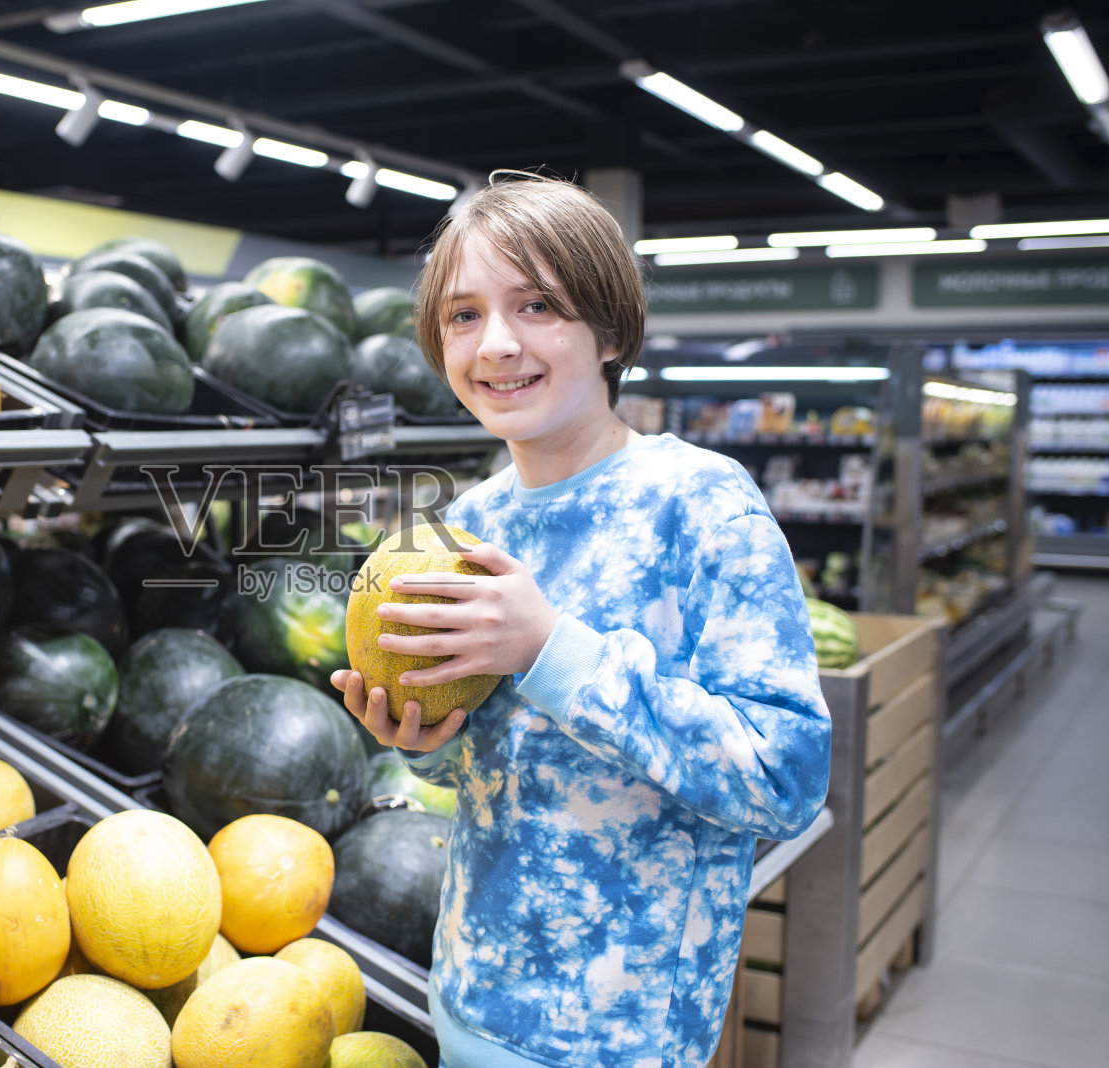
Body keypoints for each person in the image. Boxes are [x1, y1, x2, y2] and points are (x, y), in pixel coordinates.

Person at [330, 172, 831, 1068]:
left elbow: (786, 777)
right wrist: (422, 739)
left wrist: (553, 651)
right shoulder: (469, 523)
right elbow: (496, 765)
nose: (497, 343)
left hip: (620, 1037)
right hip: (470, 996)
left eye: (538, 305)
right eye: (464, 315)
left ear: (611, 331)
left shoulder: (702, 504)